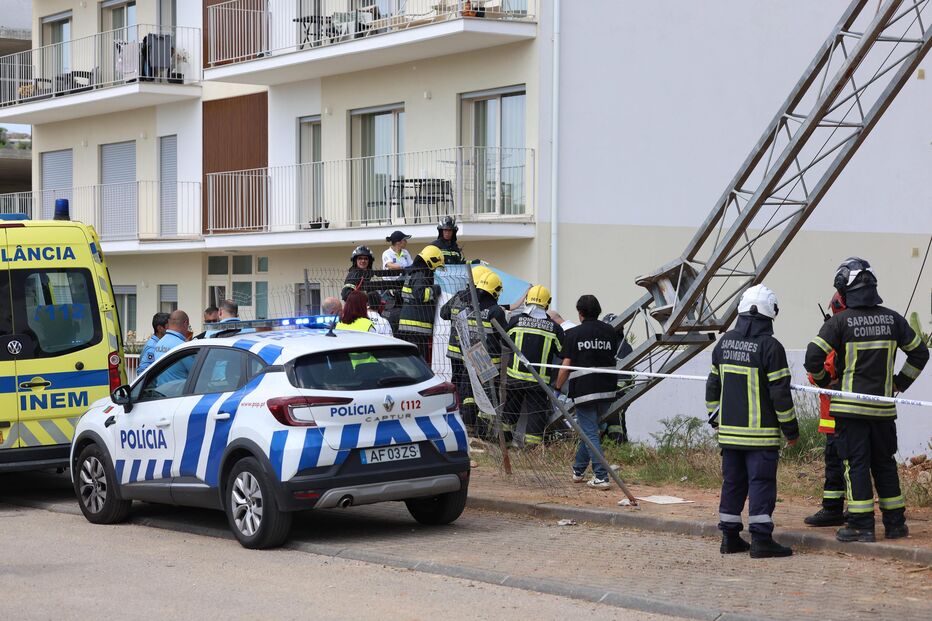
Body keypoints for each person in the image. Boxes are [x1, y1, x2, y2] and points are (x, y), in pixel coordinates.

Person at [804, 257, 928, 543]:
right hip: (883, 411)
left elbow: (813, 358)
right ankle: (896, 524)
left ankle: (861, 525)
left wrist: (827, 383)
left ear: (846, 291)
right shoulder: (893, 319)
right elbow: (920, 353)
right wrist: (899, 382)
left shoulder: (840, 322)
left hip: (850, 412)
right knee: (884, 464)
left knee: (856, 466)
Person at [706, 284, 798, 558]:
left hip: (730, 436)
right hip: (761, 437)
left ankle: (730, 538)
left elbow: (712, 387)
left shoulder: (724, 343)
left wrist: (715, 420)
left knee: (732, 484)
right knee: (761, 484)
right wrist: (791, 430)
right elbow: (780, 394)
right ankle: (760, 541)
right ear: (770, 315)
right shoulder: (771, 347)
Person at [554, 295, 619, 490]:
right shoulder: (610, 331)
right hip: (607, 390)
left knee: (589, 433)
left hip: (585, 391)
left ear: (580, 313)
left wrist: (557, 388)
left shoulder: (574, 334)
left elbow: (565, 366)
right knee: (590, 430)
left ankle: (601, 476)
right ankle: (579, 470)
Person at [804, 292, 848, 528]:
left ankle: (833, 509)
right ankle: (855, 508)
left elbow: (820, 371)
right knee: (859, 462)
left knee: (835, 463)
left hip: (835, 415)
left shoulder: (835, 338)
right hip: (857, 414)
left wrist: (819, 379)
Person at [503, 285, 564, 447]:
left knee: (510, 410)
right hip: (538, 382)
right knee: (536, 414)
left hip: (514, 378)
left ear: (527, 301)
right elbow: (561, 352)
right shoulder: (555, 328)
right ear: (547, 303)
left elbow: (505, 342)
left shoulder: (516, 321)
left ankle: (504, 442)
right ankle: (532, 447)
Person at [440, 265, 491, 432]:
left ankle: (457, 417)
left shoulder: (459, 296)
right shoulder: (481, 300)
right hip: (474, 352)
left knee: (459, 385)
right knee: (474, 386)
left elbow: (443, 313)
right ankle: (473, 423)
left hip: (454, 350)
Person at [398, 245, 445, 361]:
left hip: (410, 326)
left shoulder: (413, 272)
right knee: (419, 362)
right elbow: (420, 294)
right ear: (431, 261)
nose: (435, 270)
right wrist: (435, 289)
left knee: (411, 362)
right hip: (417, 328)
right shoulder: (421, 274)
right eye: (436, 267)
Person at [600, 313, 633, 444]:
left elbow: (623, 379)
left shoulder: (622, 346)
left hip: (619, 392)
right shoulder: (611, 345)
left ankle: (617, 444)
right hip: (611, 391)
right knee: (616, 418)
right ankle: (621, 443)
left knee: (615, 417)